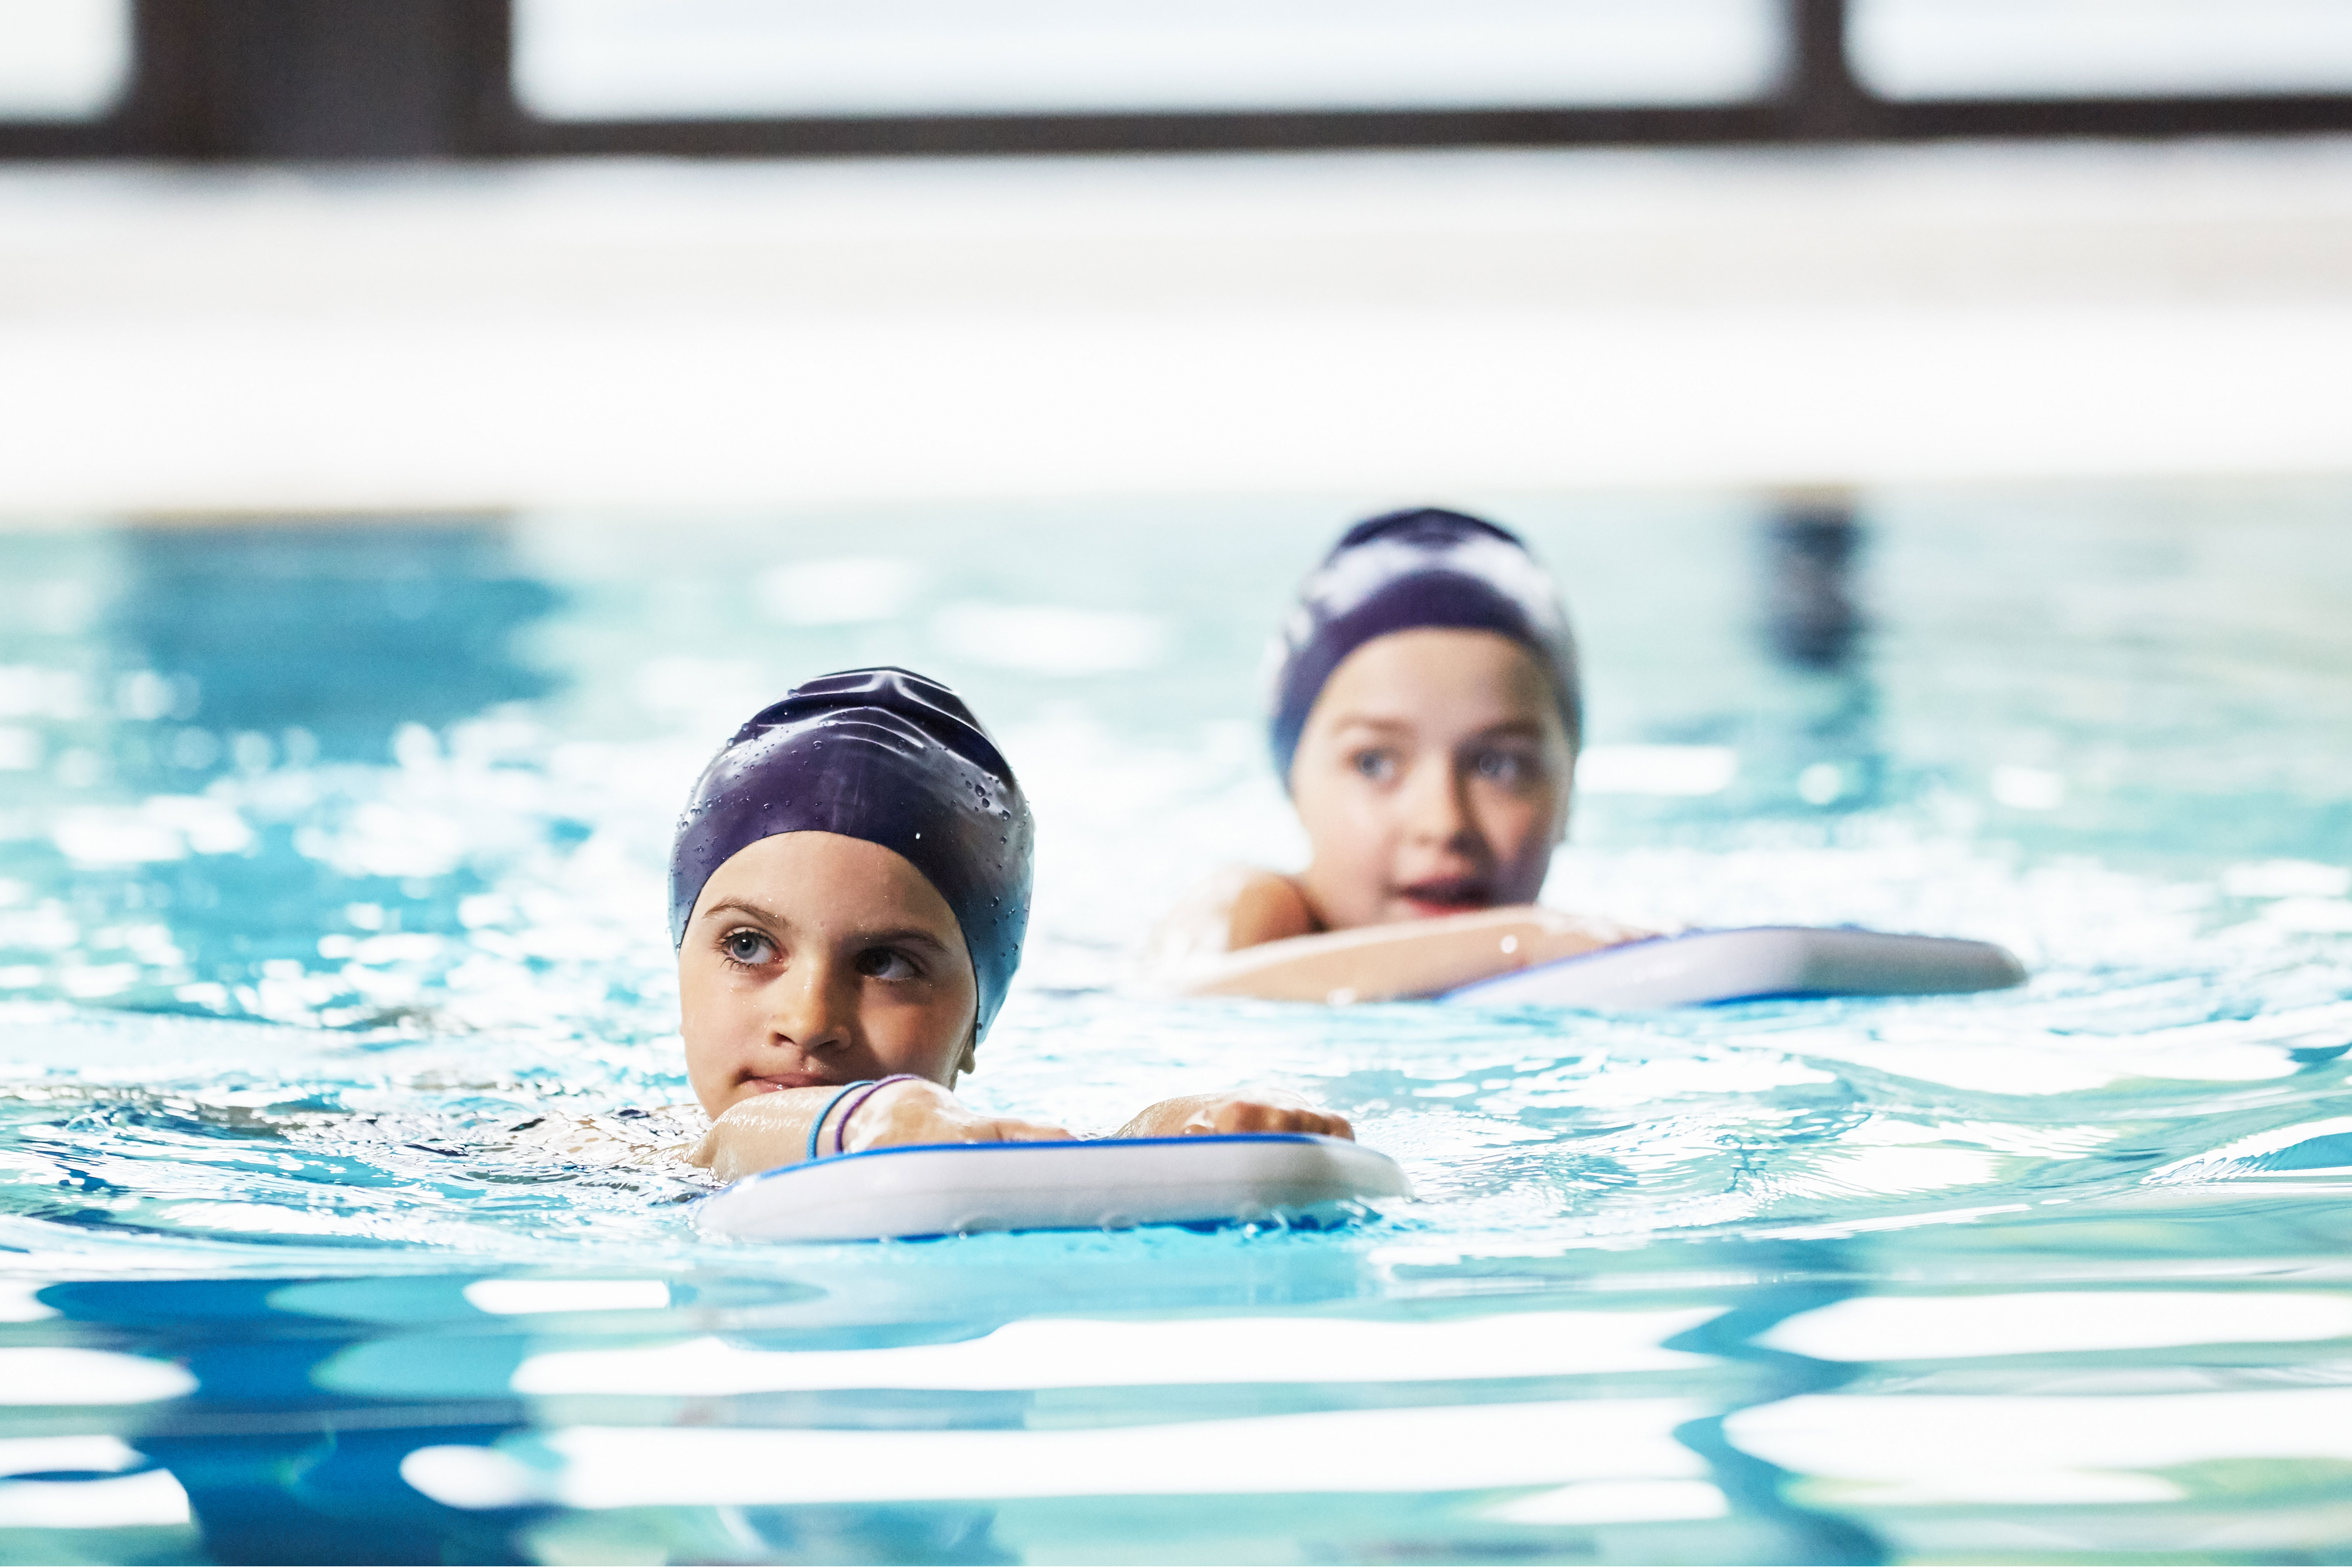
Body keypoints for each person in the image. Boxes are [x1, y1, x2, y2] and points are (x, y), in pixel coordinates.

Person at [669, 667, 1351, 1183]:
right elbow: (723, 1143)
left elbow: (1055, 1158)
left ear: (975, 1020)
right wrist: (871, 1121)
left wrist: (1178, 1133)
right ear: (680, 966)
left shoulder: (976, 1146)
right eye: (748, 945)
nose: (809, 1018)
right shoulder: (580, 1149)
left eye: (884, 962)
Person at [1156, 508, 1644, 1003]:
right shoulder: (1253, 908)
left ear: (1569, 792)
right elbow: (1178, 989)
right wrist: (1522, 943)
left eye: (1500, 767)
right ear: (1293, 784)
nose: (1444, 824)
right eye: (1374, 763)